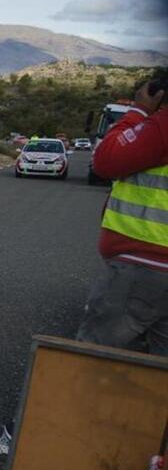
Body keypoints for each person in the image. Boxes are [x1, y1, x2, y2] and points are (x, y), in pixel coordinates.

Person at [76, 73, 168, 356]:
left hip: (146, 265)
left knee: (91, 360)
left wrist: (139, 111)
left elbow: (105, 159)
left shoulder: (161, 126)